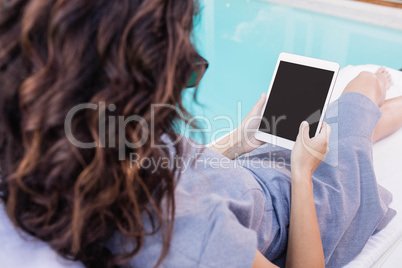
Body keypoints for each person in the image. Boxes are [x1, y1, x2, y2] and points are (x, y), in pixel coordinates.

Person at [0, 0, 400, 267]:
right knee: (365, 84)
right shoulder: (197, 237)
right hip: (312, 200)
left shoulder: (97, 145)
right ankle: (361, 119)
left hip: (254, 172)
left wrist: (240, 141)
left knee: (333, 124)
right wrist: (301, 170)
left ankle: (351, 130)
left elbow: (184, 171)